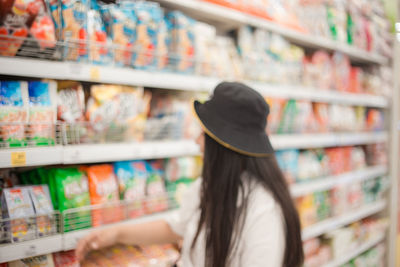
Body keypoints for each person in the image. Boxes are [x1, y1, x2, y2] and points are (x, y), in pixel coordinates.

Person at [76, 82, 304, 267]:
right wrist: (114, 235)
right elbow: (175, 227)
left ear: (223, 147)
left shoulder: (264, 211)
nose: (197, 142)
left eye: (203, 134)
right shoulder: (209, 187)